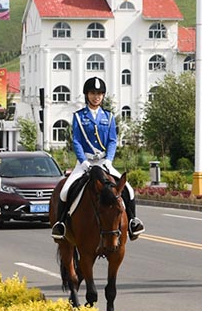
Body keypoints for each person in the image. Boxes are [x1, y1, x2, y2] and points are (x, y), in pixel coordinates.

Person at [51, 77, 144, 241]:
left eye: (100, 93)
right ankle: (61, 224)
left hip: (103, 162)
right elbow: (77, 141)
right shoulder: (79, 117)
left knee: (127, 189)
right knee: (65, 191)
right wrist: (84, 161)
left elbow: (113, 140)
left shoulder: (108, 117)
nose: (96, 97)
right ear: (87, 95)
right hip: (84, 162)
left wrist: (109, 159)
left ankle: (133, 222)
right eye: (93, 93)